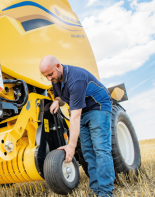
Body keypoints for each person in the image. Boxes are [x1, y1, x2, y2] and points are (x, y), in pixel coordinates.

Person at [39, 55, 115, 197]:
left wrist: (71, 146)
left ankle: (105, 191)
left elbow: (75, 116)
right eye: (45, 76)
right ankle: (96, 190)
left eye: (50, 74)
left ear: (58, 66)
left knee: (100, 149)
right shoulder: (56, 79)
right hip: (83, 109)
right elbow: (61, 97)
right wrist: (56, 101)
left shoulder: (76, 79)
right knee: (87, 152)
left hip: (98, 107)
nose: (49, 78)